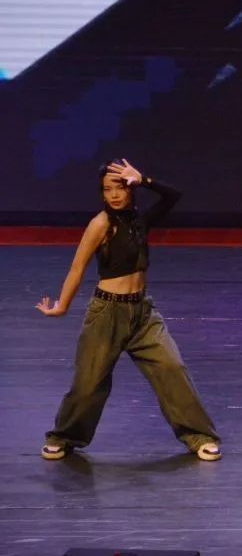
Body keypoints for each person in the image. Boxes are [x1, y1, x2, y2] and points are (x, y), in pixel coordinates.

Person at [37, 160, 221, 462]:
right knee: (89, 383)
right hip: (106, 314)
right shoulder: (100, 224)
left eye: (120, 188)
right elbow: (77, 267)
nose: (113, 195)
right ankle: (64, 436)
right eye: (107, 189)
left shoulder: (140, 219)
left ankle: (199, 436)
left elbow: (173, 196)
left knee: (172, 368)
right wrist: (62, 306)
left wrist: (144, 179)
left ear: (130, 189)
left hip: (142, 313)